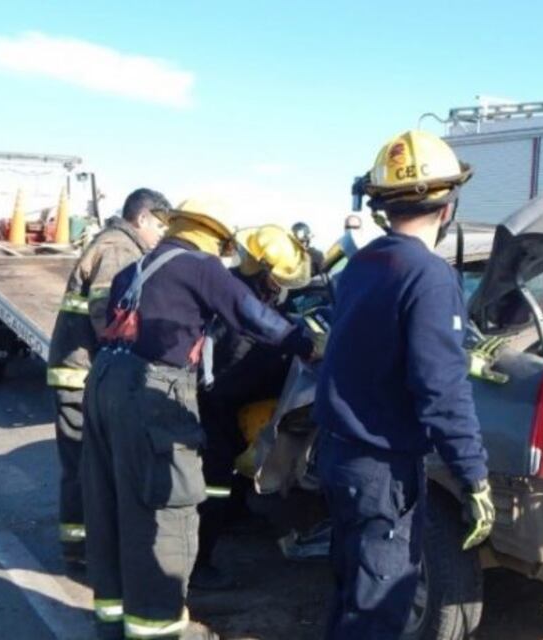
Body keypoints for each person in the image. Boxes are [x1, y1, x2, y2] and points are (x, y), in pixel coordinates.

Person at [81, 200, 316, 640]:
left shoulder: (135, 268)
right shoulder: (200, 266)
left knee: (114, 506)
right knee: (164, 516)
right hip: (151, 391)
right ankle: (158, 630)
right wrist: (306, 343)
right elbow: (251, 315)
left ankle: (111, 624)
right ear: (215, 238)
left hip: (104, 382)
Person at [314, 130, 495, 638]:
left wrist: (456, 354)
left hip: (341, 458)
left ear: (382, 207)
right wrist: (474, 478)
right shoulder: (430, 275)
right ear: (448, 206)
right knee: (376, 612)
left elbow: (374, 346)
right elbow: (441, 393)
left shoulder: (361, 266)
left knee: (353, 596)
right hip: (382, 472)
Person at [46, 188, 170, 565]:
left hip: (79, 370)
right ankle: (82, 549)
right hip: (82, 375)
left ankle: (81, 545)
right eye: (160, 226)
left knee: (82, 462)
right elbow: (109, 317)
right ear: (142, 218)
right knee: (84, 463)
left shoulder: (116, 243)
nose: (162, 235)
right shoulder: (119, 249)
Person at [193, 224, 313, 590]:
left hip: (223, 401)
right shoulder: (235, 301)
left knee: (232, 468)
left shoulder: (248, 291)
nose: (281, 289)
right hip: (210, 405)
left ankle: (234, 514)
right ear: (261, 270)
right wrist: (294, 354)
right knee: (212, 484)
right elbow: (239, 367)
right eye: (278, 281)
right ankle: (197, 565)